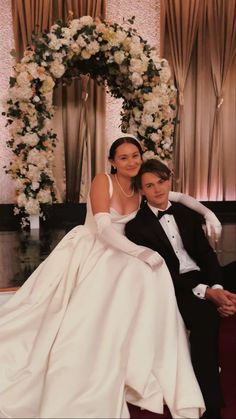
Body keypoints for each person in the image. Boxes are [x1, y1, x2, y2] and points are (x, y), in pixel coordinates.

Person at [0, 135, 221, 419]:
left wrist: (208, 213)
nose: (131, 161)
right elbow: (104, 229)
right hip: (95, 245)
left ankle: (143, 356)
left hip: (126, 249)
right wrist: (139, 253)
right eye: (124, 157)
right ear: (112, 162)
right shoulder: (102, 180)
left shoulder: (142, 183)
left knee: (149, 275)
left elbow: (177, 197)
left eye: (135, 155)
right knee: (127, 277)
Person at [125, 158, 236, 419]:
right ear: (141, 191)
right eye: (149, 186)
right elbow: (164, 271)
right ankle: (212, 408)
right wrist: (208, 294)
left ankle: (228, 300)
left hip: (202, 277)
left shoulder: (185, 212)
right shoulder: (137, 227)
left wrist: (218, 286)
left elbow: (206, 255)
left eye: (161, 182)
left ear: (169, 181)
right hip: (173, 287)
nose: (158, 189)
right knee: (205, 319)